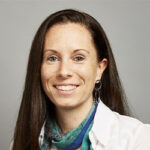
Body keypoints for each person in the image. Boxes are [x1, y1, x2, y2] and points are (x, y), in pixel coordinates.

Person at [11, 9, 150, 150]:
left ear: (100, 68)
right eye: (52, 58)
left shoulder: (139, 140)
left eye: (78, 58)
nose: (64, 71)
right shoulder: (20, 143)